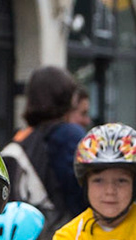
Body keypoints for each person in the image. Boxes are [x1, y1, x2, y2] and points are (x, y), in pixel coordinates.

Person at [6, 66, 88, 228]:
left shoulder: (21, 140)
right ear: (67, 98)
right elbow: (81, 194)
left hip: (23, 237)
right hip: (62, 239)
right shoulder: (68, 134)